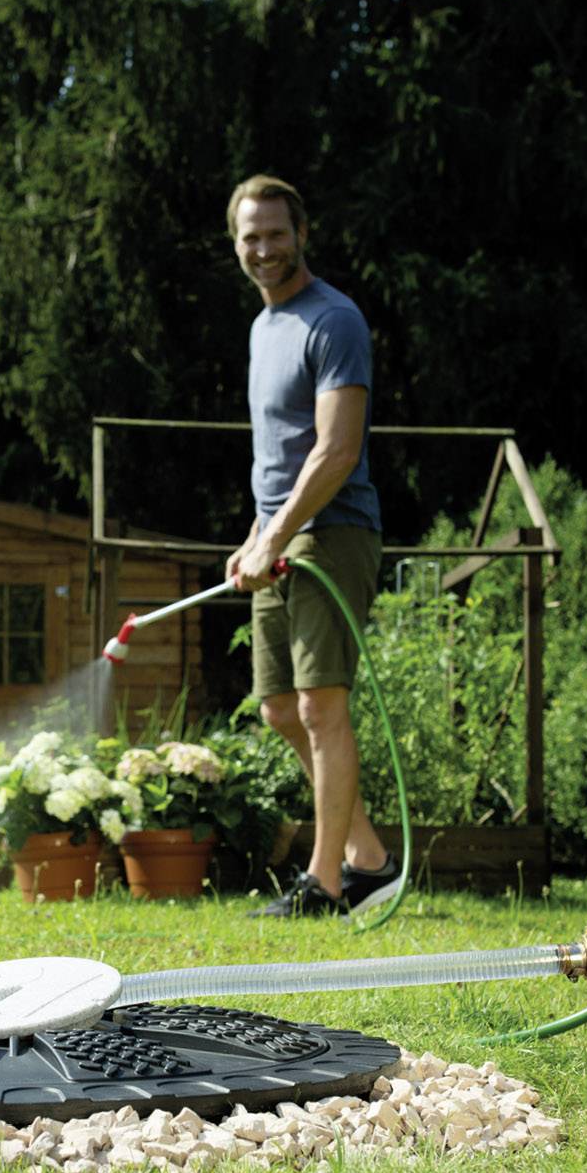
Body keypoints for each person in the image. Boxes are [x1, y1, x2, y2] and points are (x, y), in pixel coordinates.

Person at [223, 174, 398, 917]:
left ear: (301, 234)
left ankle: (326, 886)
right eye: (249, 236)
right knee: (279, 709)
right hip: (281, 535)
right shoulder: (265, 329)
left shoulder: (335, 321)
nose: (264, 248)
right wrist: (254, 537)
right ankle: (370, 858)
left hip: (335, 530)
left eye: (275, 233)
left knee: (322, 706)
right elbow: (280, 456)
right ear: (237, 244)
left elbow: (334, 452)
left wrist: (278, 535)